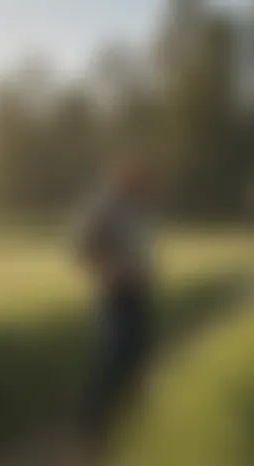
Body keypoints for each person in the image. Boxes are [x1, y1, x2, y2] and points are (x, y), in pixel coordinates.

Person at [74, 154, 158, 445]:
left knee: (137, 356)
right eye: (138, 175)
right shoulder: (103, 206)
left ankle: (129, 420)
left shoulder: (138, 207)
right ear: (122, 174)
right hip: (115, 294)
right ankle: (92, 422)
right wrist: (110, 272)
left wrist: (147, 272)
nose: (144, 181)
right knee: (113, 357)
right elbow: (83, 249)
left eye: (145, 177)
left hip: (140, 293)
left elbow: (141, 247)